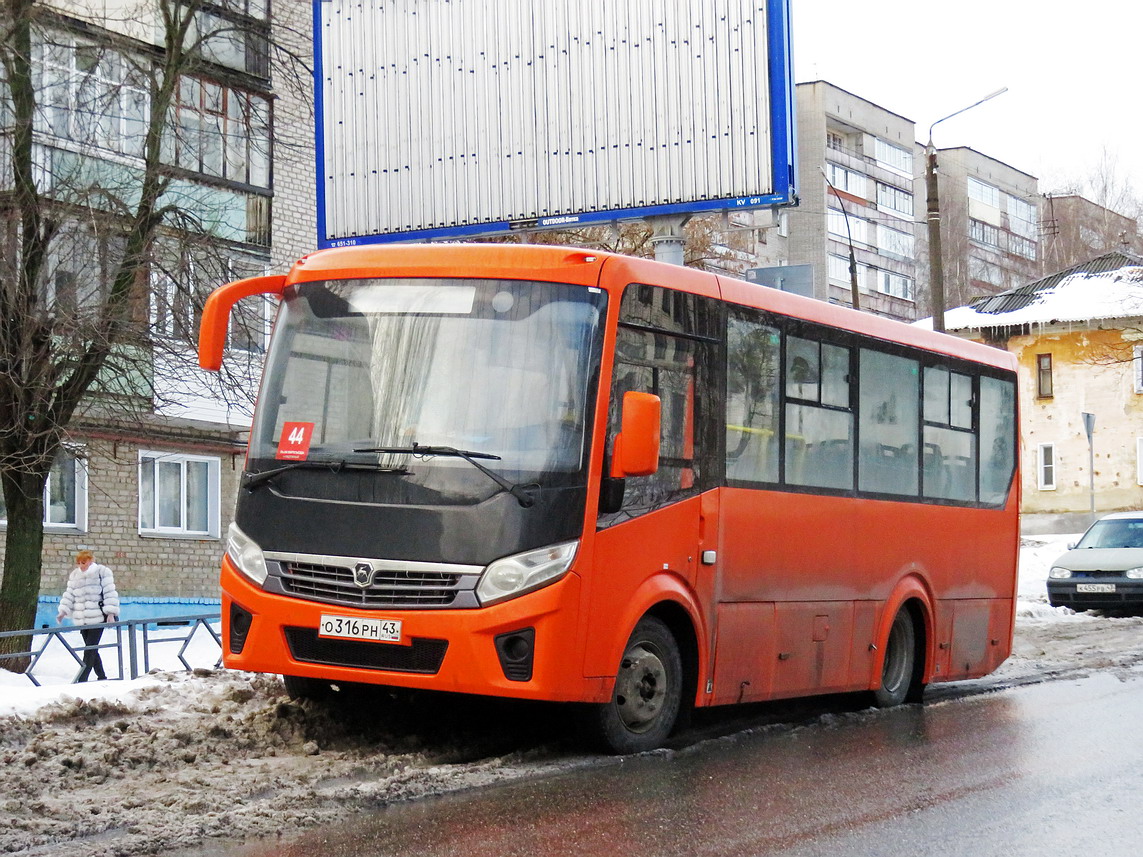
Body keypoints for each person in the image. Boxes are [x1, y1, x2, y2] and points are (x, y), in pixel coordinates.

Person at [57, 550, 120, 682]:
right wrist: (63, 611)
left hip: (97, 616)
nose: (81, 565)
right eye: (78, 563)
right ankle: (102, 677)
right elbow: (69, 594)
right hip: (82, 619)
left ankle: (82, 679)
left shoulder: (102, 572)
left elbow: (110, 592)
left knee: (89, 649)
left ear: (91, 560)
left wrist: (110, 613)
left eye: (83, 562)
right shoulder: (75, 575)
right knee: (91, 648)